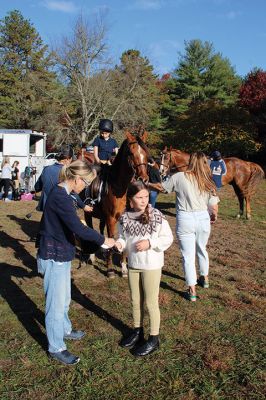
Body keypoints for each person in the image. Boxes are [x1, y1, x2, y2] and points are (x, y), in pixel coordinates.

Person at [37, 160, 115, 365]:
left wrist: (84, 207)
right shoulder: (60, 196)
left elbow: (76, 203)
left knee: (64, 298)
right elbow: (78, 229)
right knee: (55, 303)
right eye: (86, 183)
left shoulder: (65, 191)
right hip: (53, 254)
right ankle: (56, 347)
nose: (86, 187)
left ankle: (65, 329)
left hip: (62, 253)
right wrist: (103, 240)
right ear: (77, 179)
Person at [149, 152, 219, 302]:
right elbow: (214, 206)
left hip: (185, 218)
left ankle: (192, 290)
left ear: (190, 161)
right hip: (203, 217)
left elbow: (162, 188)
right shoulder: (208, 180)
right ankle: (204, 278)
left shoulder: (179, 177)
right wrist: (213, 217)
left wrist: (146, 183)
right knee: (202, 248)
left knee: (188, 255)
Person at [115, 181, 173, 357]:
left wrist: (150, 243)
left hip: (152, 265)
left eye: (146, 196)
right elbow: (123, 237)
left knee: (150, 302)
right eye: (139, 197)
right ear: (130, 200)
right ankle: (137, 331)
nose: (143, 200)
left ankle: (154, 338)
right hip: (134, 265)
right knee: (135, 300)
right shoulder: (124, 217)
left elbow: (168, 238)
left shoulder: (156, 215)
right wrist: (119, 243)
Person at [35, 145, 92, 213]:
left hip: (46, 208)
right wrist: (83, 206)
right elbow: (73, 193)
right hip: (62, 209)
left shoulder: (46, 169)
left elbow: (37, 187)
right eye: (71, 159)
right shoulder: (68, 173)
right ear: (68, 159)